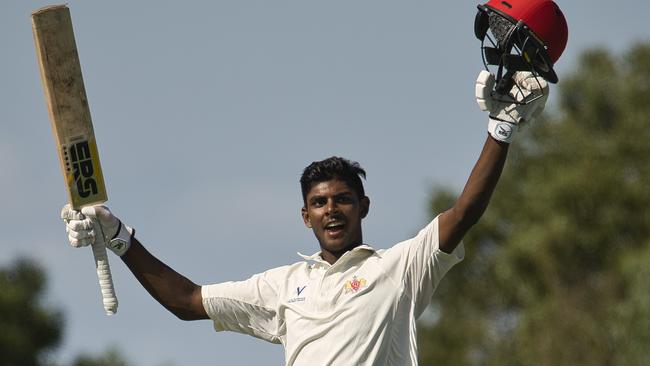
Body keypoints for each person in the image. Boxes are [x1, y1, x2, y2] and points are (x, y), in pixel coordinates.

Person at [62, 70, 548, 365]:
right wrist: (120, 237)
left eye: (342, 199)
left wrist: (500, 130)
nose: (331, 210)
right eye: (320, 203)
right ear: (305, 216)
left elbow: (464, 213)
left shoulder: (398, 269)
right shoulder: (283, 285)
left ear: (364, 207)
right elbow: (189, 301)